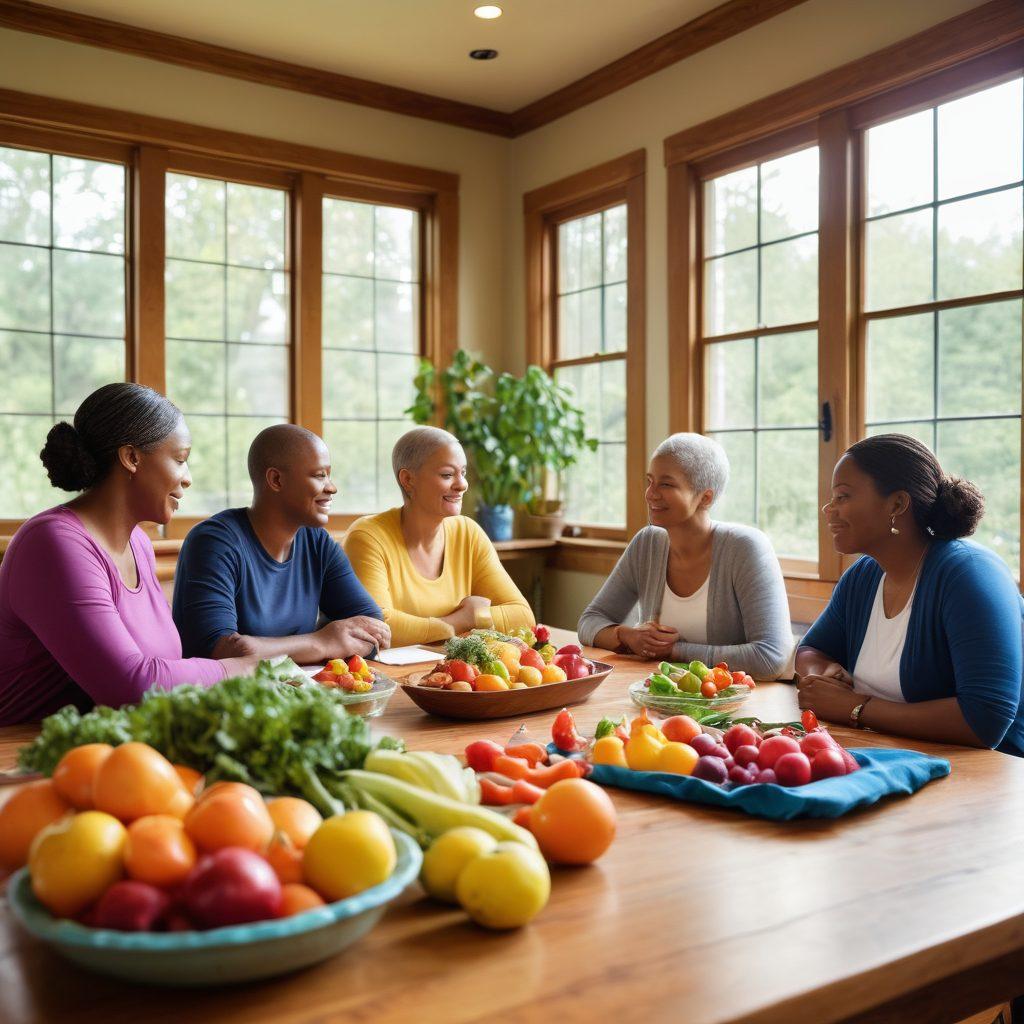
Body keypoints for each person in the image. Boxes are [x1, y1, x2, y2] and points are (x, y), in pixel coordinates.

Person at [0, 384, 257, 725]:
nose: (188, 478)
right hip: (22, 757)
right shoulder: (53, 543)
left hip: (112, 746)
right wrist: (235, 669)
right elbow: (131, 686)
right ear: (131, 457)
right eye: (180, 459)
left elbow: (159, 668)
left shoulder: (137, 543)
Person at [796, 434, 1024, 754]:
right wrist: (821, 677)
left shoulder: (969, 574)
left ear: (897, 504)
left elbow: (986, 719)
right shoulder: (863, 576)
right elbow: (812, 649)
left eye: (843, 496)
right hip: (898, 758)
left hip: (994, 779)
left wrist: (854, 708)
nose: (827, 509)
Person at [577, 433, 792, 678]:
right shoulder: (646, 544)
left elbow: (771, 657)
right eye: (650, 481)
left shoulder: (745, 548)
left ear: (705, 497)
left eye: (666, 484)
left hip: (734, 706)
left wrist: (675, 651)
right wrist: (629, 636)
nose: (650, 494)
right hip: (661, 697)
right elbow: (589, 622)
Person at [173, 425, 388, 662]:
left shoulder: (317, 542)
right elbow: (221, 651)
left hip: (300, 694)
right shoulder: (214, 543)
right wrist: (321, 642)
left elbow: (373, 629)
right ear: (276, 480)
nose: (331, 487)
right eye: (319, 475)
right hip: (224, 697)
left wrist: (329, 640)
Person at [343, 427, 535, 647]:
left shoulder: (468, 533)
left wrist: (476, 618)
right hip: (386, 678)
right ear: (407, 479)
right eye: (447, 474)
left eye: (463, 473)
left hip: (454, 674)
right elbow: (379, 627)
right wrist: (458, 622)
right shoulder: (368, 537)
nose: (462, 484)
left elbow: (523, 616)